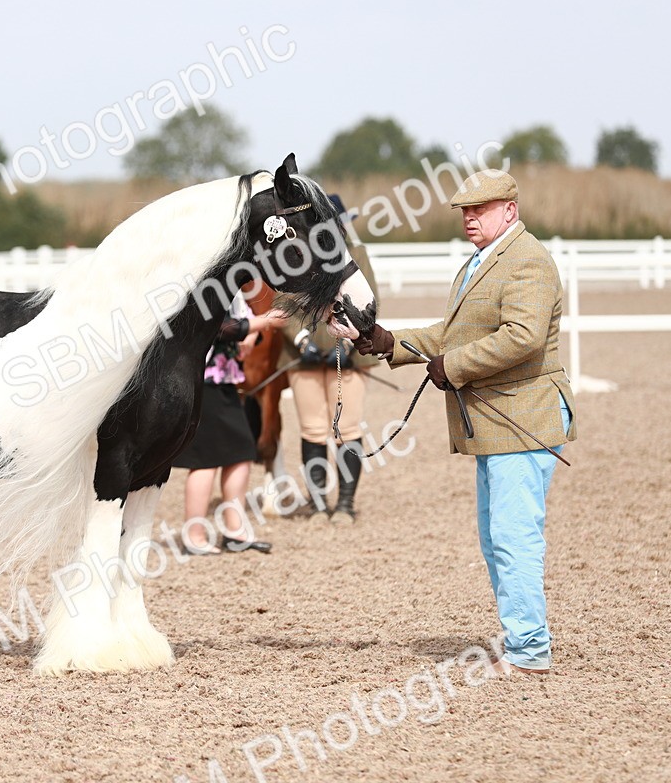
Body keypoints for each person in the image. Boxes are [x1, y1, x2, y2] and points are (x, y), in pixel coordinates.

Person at [355, 169, 576, 674]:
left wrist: (453, 366)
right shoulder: (484, 262)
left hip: (523, 414)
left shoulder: (527, 262)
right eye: (464, 211)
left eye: (479, 209)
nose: (469, 218)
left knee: (513, 535)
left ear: (510, 211)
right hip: (500, 419)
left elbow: (523, 338)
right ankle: (522, 639)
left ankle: (529, 650)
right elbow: (454, 332)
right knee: (496, 536)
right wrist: (393, 342)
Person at [279, 195, 379, 525]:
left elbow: (369, 300)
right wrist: (303, 340)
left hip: (347, 355)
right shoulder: (295, 258)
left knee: (347, 428)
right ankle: (318, 502)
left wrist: (351, 344)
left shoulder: (357, 254)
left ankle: (346, 504)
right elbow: (285, 302)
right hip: (302, 357)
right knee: (312, 429)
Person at [174, 293, 288, 555]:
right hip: (203, 380)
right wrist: (264, 321)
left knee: (241, 452)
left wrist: (250, 335)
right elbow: (219, 326)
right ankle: (194, 535)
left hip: (224, 379)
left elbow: (243, 322)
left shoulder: (233, 290)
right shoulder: (206, 286)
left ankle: (234, 530)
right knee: (205, 460)